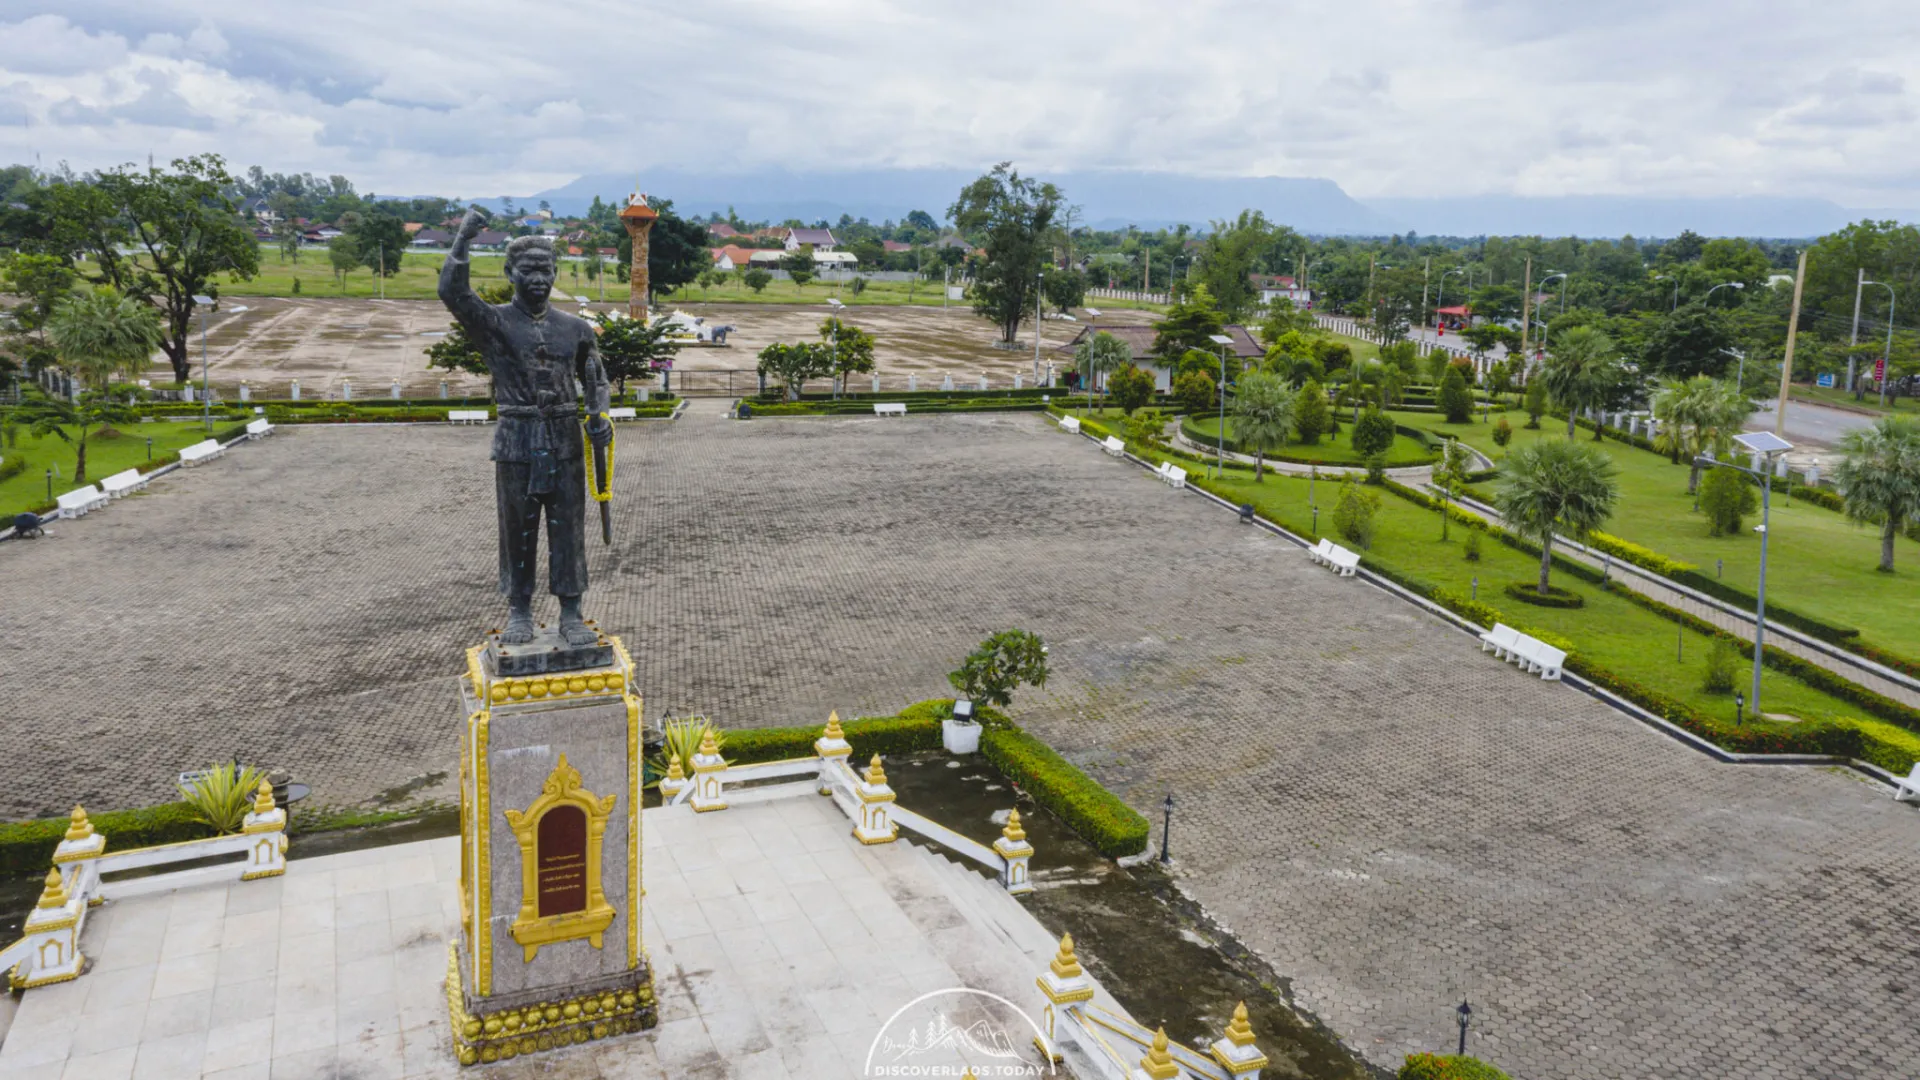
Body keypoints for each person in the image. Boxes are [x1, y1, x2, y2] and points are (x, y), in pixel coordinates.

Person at [439, 208, 612, 647]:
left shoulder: (575, 328)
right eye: (529, 270)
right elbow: (453, 293)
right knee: (518, 526)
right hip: (517, 437)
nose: (539, 278)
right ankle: (519, 609)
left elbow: (598, 379)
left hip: (564, 437)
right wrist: (463, 238)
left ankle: (571, 610)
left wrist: (600, 416)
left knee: (567, 526)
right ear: (510, 272)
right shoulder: (494, 323)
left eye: (546, 270)